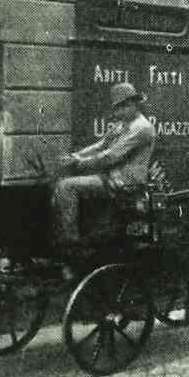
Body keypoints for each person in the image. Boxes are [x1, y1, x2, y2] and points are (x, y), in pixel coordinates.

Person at [52, 81, 158, 264]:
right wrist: (75, 156)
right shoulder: (122, 124)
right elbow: (99, 145)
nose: (117, 113)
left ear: (131, 105)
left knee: (66, 187)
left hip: (124, 184)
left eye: (120, 108)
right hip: (110, 179)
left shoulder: (142, 128)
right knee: (62, 182)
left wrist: (79, 162)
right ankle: (75, 235)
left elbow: (111, 156)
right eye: (116, 108)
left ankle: (71, 244)